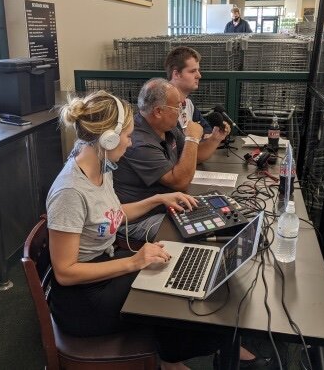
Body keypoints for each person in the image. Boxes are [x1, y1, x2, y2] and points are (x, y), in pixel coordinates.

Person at [46, 90, 223, 369]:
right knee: (169, 293)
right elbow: (66, 273)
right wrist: (134, 261)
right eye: (127, 136)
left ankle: (172, 357)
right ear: (108, 138)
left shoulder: (101, 167)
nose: (130, 143)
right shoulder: (69, 192)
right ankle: (175, 358)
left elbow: (111, 216)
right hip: (82, 300)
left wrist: (157, 199)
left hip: (101, 270)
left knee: (169, 268)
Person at [113, 78, 228, 242]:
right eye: (177, 106)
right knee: (202, 236)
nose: (182, 111)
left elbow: (195, 157)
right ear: (158, 111)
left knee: (222, 220)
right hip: (141, 219)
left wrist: (215, 139)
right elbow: (180, 182)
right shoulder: (139, 143)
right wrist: (192, 138)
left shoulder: (167, 128)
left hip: (167, 205)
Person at [165, 45, 231, 138]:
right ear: (176, 74)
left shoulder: (188, 103)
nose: (199, 76)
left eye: (198, 70)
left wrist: (211, 136)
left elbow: (206, 128)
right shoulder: (164, 107)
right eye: (192, 71)